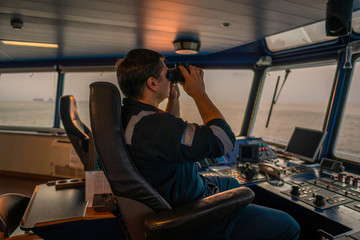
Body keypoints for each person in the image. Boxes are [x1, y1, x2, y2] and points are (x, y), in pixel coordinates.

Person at [116, 48, 300, 240]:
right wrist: (199, 94)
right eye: (166, 74)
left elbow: (167, 139)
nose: (170, 78)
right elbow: (223, 140)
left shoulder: (134, 117)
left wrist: (174, 98)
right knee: (289, 226)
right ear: (152, 83)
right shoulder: (154, 126)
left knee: (233, 183)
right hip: (191, 213)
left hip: (176, 192)